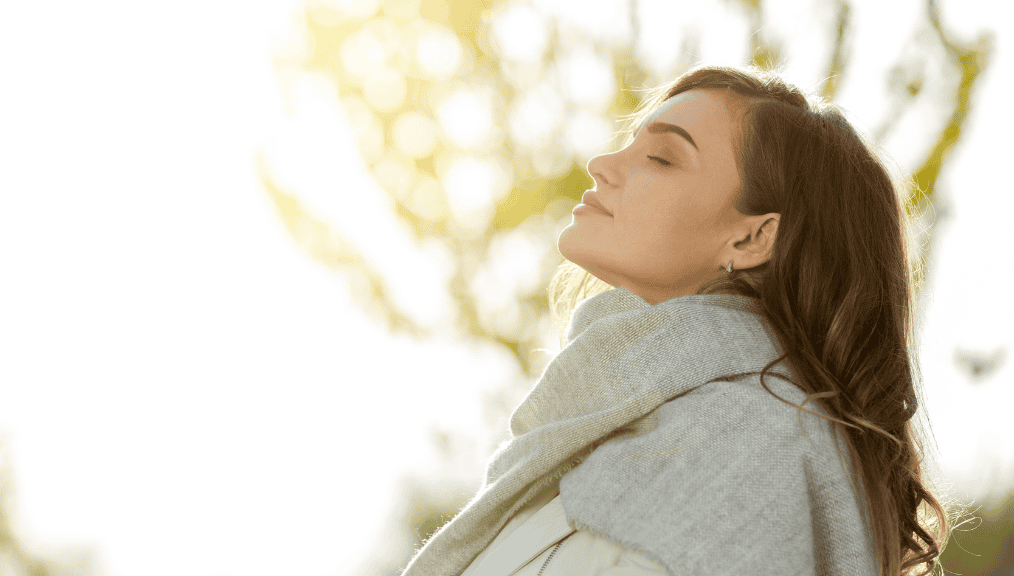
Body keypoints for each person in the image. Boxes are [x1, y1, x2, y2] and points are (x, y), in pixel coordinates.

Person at [399, 64, 959, 576]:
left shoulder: (750, 443)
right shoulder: (621, 425)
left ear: (751, 236)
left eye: (661, 158)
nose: (602, 166)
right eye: (631, 144)